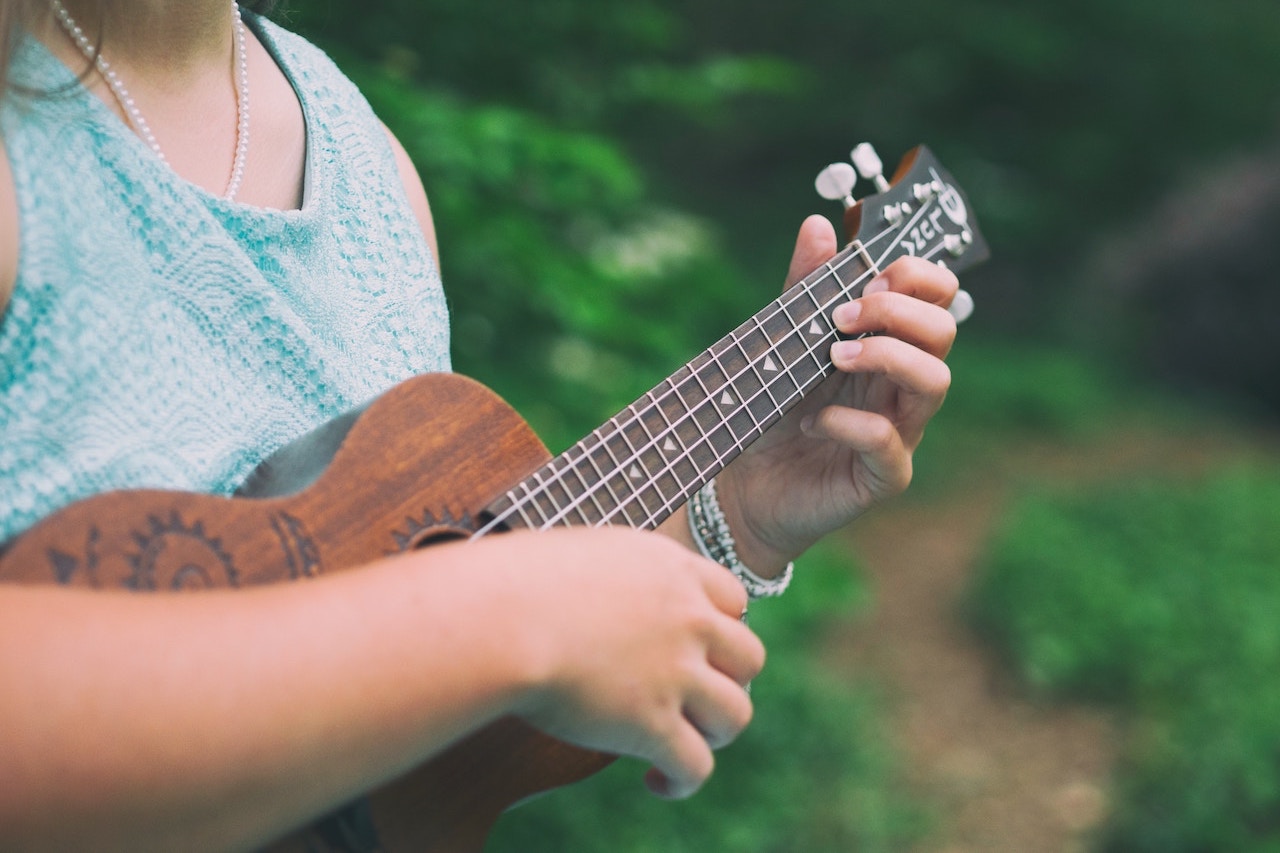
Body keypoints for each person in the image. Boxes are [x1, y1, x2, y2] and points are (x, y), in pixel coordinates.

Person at [0, 1, 961, 849]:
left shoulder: (368, 164)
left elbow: (398, 715)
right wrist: (504, 617)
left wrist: (731, 510)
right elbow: (468, 624)